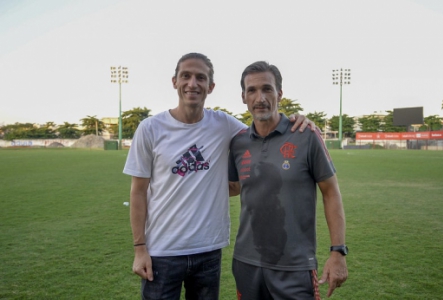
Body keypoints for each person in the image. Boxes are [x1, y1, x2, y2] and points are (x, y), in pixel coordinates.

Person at [123, 53, 315, 300]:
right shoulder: (150, 128)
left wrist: (296, 121)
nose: (193, 83)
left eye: (200, 77)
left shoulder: (223, 124)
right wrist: (140, 248)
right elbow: (138, 192)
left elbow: (262, 129)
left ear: (210, 86)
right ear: (174, 81)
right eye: (186, 76)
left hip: (208, 252)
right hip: (162, 252)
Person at [228, 61, 348, 300]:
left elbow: (331, 192)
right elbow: (233, 187)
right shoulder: (238, 142)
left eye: (267, 89)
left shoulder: (306, 135)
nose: (259, 97)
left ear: (279, 94)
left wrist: (338, 252)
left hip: (295, 267)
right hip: (246, 263)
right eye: (251, 90)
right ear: (243, 96)